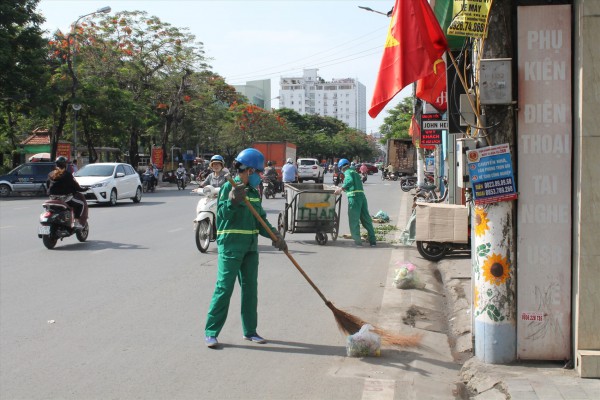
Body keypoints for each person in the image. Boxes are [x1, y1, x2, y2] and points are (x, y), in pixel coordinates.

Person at [204, 148, 287, 348]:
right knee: (224, 288)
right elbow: (222, 215)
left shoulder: (253, 192)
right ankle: (211, 331)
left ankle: (250, 331)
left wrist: (275, 236)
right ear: (248, 170)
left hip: (250, 247)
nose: (260, 176)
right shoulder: (229, 188)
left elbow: (261, 220)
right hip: (231, 246)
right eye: (258, 172)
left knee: (251, 290)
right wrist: (233, 200)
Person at [334, 158, 376, 247]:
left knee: (354, 220)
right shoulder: (355, 172)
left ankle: (358, 242)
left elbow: (349, 181)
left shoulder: (348, 172)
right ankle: (373, 241)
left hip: (354, 198)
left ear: (341, 167)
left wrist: (341, 189)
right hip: (362, 197)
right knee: (366, 219)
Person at [46, 156, 88, 228]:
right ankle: (76, 222)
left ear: (56, 165)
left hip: (52, 198)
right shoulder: (68, 175)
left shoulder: (50, 174)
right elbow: (76, 186)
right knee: (81, 204)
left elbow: (47, 185)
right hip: (65, 199)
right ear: (65, 165)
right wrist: (84, 189)